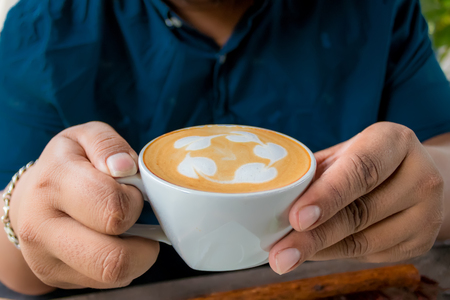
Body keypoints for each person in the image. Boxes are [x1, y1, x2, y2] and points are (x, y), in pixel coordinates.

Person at [1, 0, 450, 298]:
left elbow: (439, 161)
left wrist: (430, 188)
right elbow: (11, 270)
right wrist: (18, 210)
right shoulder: (41, 28)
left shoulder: (379, 9)